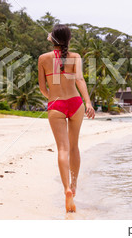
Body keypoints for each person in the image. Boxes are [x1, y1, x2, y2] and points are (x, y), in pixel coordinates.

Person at [38, 24, 95, 213]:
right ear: (68, 40)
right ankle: (75, 184)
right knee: (73, 146)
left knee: (62, 148)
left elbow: (42, 89)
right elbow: (80, 81)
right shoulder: (75, 57)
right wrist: (88, 103)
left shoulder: (43, 59)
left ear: (52, 38)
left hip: (56, 105)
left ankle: (66, 189)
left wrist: (53, 98)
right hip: (76, 103)